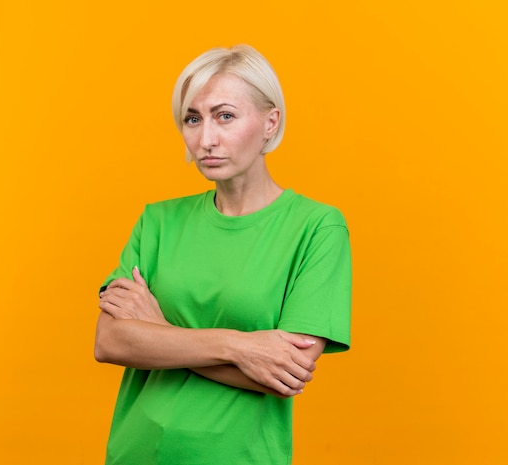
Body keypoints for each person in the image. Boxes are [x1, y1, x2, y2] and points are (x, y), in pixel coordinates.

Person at [95, 44, 352, 465]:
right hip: (136, 451)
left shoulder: (317, 227)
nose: (206, 139)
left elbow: (285, 374)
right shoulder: (158, 221)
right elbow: (109, 341)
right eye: (192, 119)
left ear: (271, 123)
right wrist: (238, 347)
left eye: (225, 116)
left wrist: (157, 330)